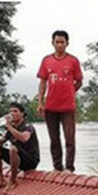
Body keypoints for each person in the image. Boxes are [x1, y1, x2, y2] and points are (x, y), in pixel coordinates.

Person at [37, 30, 83, 172]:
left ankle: (69, 168)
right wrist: (40, 102)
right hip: (51, 106)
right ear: (53, 43)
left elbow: (79, 81)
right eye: (57, 42)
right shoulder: (46, 60)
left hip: (67, 107)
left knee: (69, 139)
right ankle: (57, 167)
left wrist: (70, 92)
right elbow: (43, 82)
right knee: (54, 139)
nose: (60, 45)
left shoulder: (73, 61)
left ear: (67, 43)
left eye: (62, 42)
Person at [0, 102, 40, 192]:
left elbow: (24, 138)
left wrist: (8, 126)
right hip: (17, 157)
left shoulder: (28, 126)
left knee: (13, 149)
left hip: (30, 160)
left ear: (22, 114)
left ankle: (13, 180)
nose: (12, 114)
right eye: (10, 112)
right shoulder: (11, 129)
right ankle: (0, 180)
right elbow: (2, 140)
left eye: (15, 111)